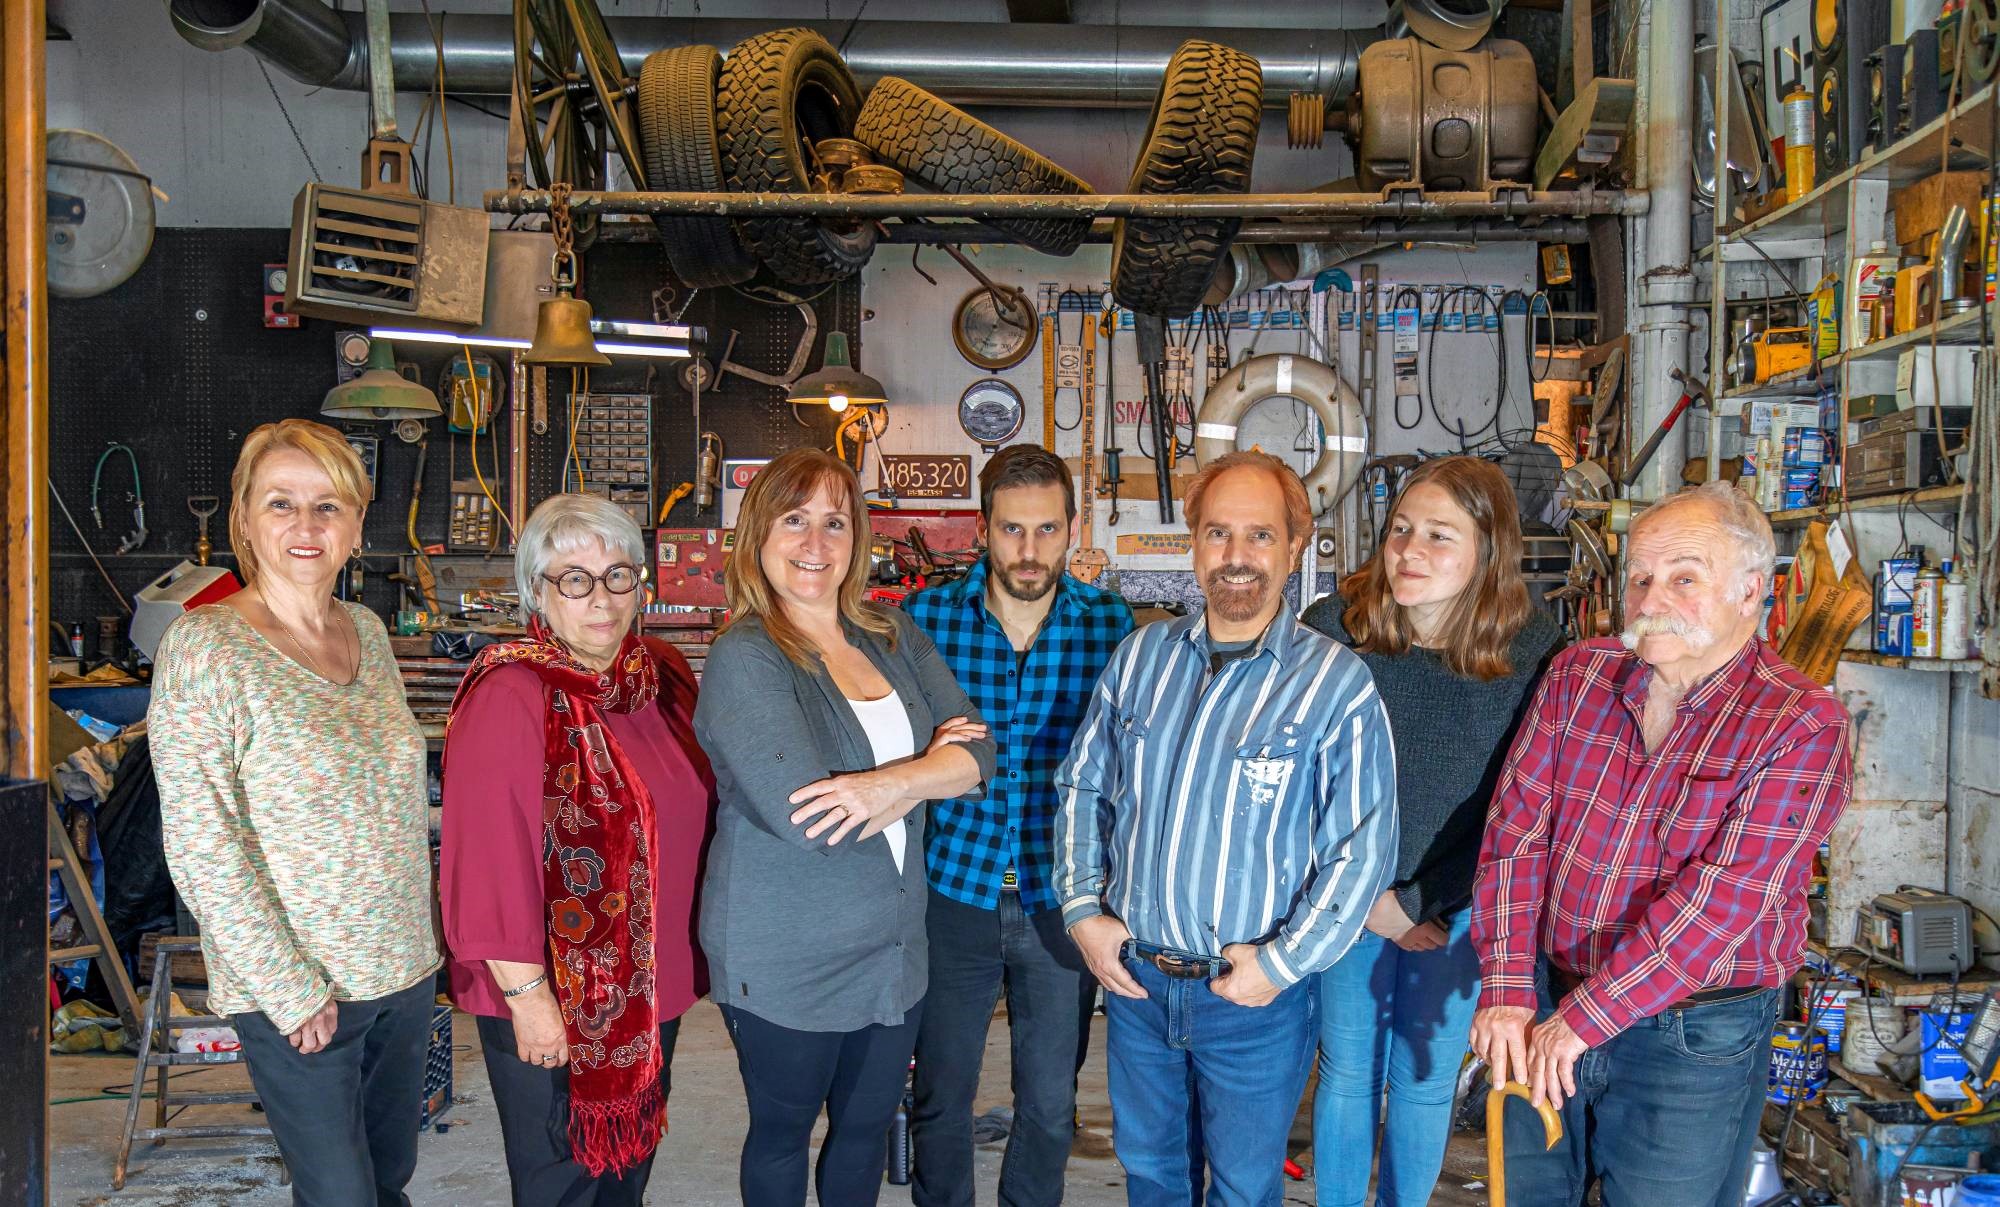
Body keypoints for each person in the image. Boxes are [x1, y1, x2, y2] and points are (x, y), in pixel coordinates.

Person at [1468, 481, 1852, 1207]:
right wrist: (1510, 986)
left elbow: (1720, 902)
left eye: (1684, 578)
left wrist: (1581, 1022)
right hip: (1548, 994)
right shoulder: (1579, 676)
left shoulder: (1801, 722)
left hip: (1693, 1033)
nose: (1650, 600)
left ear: (1750, 592)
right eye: (1640, 577)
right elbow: (1514, 835)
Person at [1056, 450, 1398, 1207]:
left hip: (1251, 1003)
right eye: (1218, 534)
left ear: (1293, 546)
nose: (1236, 557)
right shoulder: (1140, 658)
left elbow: (1362, 848)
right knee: (1151, 1176)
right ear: (1194, 543)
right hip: (1139, 986)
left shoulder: (1335, 684)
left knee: (1245, 1188)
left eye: (1260, 536)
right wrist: (1083, 909)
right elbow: (1083, 786)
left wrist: (1282, 964)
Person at [694, 449, 997, 1206]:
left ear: (857, 537)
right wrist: (933, 769)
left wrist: (886, 784)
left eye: (835, 522)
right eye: (794, 520)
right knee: (783, 1134)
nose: (816, 544)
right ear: (758, 533)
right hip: (785, 950)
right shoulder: (746, 655)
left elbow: (983, 753)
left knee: (863, 1132)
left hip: (895, 946)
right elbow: (812, 819)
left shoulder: (891, 635)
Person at [150, 418, 439, 1206]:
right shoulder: (207, 647)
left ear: (354, 523)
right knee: (340, 1194)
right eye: (282, 504)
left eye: (328, 506)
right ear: (244, 519)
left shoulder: (370, 633)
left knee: (388, 1181)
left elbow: (386, 797)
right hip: (301, 990)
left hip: (403, 968)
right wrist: (290, 987)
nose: (307, 527)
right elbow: (201, 838)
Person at [440, 493, 715, 1203]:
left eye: (618, 575)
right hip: (549, 993)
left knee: (627, 1172)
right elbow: (486, 860)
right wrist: (529, 997)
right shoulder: (513, 689)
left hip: (651, 986)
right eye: (575, 578)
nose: (602, 597)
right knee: (561, 1179)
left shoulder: (655, 678)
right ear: (538, 590)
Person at [1301, 456, 1560, 1207]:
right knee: (1347, 1069)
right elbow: (1300, 778)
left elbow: (1515, 803)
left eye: (1439, 536)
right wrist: (1363, 896)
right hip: (1349, 893)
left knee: (1421, 1079)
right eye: (1401, 530)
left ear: (1489, 550)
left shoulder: (1535, 652)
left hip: (1460, 901)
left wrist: (1420, 900)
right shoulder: (1336, 628)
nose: (1410, 552)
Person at [902, 444, 1135, 1207]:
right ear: (983, 528)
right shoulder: (926, 618)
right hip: (953, 887)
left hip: (1059, 898)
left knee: (1047, 1103)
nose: (1028, 550)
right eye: (1011, 530)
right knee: (942, 1089)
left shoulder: (1110, 624)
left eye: (1045, 529)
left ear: (1072, 528)